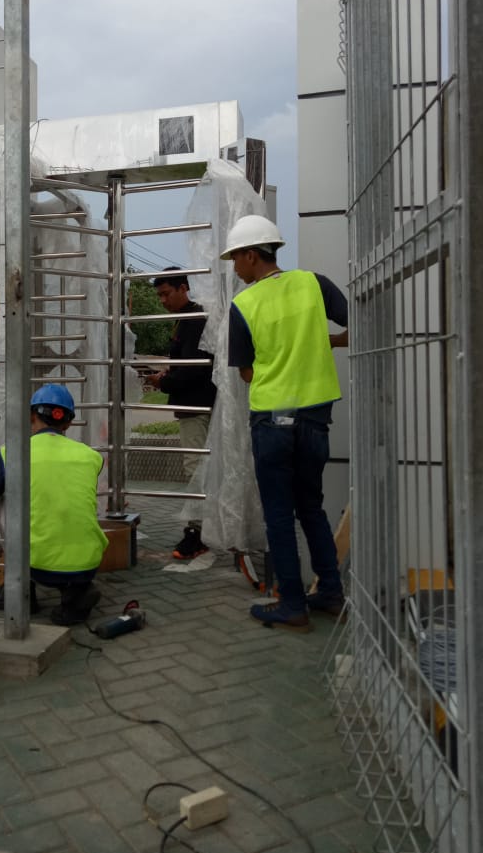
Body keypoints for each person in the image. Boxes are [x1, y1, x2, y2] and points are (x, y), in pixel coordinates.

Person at [220, 215, 348, 632]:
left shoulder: (244, 305)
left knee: (278, 514)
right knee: (311, 506)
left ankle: (292, 603)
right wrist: (327, 342)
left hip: (272, 421)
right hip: (315, 418)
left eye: (235, 258)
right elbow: (358, 323)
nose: (234, 268)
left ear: (251, 255)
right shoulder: (315, 283)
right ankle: (331, 593)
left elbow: (246, 372)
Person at [0, 383, 108, 626]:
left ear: (31, 416)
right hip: (88, 562)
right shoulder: (91, 456)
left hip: (34, 563)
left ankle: (20, 590)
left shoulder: (10, 454)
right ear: (68, 423)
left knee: (0, 498)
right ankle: (76, 594)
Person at [148, 267, 217, 559]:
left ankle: (196, 534)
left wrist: (163, 381)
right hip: (195, 404)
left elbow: (195, 368)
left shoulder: (194, 319)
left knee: (195, 469)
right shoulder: (186, 319)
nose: (163, 300)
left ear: (183, 288)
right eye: (160, 296)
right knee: (200, 469)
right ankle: (203, 530)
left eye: (166, 294)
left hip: (195, 406)